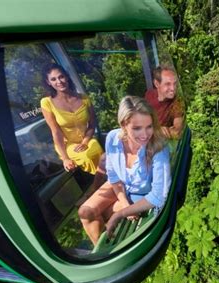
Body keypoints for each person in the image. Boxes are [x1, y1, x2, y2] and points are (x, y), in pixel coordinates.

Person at [78, 96, 171, 245]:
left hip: (140, 194)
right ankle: (102, 254)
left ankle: (110, 247)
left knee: (103, 213)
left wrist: (120, 213)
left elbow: (158, 196)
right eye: (137, 128)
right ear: (123, 125)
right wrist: (123, 203)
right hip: (121, 186)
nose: (145, 134)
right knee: (85, 212)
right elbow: (113, 175)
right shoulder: (113, 138)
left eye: (149, 126)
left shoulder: (158, 149)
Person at [40, 64, 103, 175]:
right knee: (86, 156)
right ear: (49, 82)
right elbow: (56, 132)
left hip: (86, 140)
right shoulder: (46, 103)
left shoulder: (84, 98)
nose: (59, 81)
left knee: (97, 151)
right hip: (67, 145)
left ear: (67, 77)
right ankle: (104, 181)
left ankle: (107, 181)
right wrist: (65, 158)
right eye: (53, 79)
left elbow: (92, 124)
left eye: (61, 77)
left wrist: (85, 141)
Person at [144, 66, 185, 139]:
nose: (173, 88)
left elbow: (178, 133)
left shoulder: (177, 103)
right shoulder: (149, 95)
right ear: (157, 84)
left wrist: (164, 132)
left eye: (175, 84)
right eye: (168, 84)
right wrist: (156, 130)